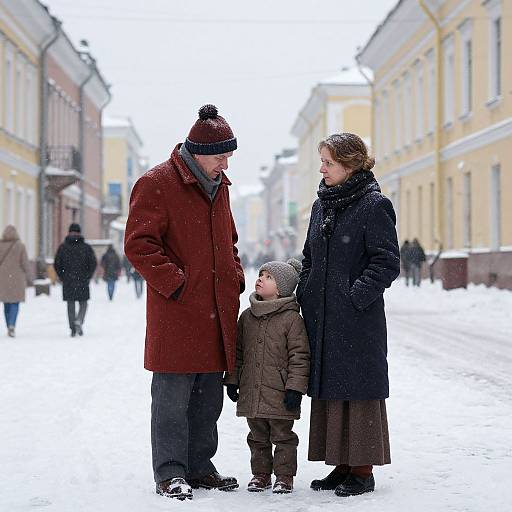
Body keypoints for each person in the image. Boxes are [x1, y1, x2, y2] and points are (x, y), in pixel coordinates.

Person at [124, 104, 245, 501]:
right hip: (178, 311)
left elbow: (229, 240)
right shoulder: (156, 183)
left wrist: (234, 276)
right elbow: (139, 244)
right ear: (198, 153)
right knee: (172, 399)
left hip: (215, 311)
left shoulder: (220, 185)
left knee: (208, 400)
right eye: (221, 156)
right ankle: (170, 472)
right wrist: (177, 284)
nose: (225, 163)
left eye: (229, 156)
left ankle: (199, 466)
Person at [296, 133, 400, 497]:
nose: (322, 168)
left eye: (328, 162)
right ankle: (340, 465)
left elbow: (387, 261)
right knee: (331, 390)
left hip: (357, 320)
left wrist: (355, 296)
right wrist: (307, 290)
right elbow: (309, 256)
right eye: (322, 160)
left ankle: (362, 469)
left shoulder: (374, 205)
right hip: (323, 317)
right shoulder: (321, 205)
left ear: (351, 164)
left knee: (358, 391)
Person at [225, 258, 309, 494]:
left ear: (281, 288)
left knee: (283, 437)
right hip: (252, 390)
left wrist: (295, 388)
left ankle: (284, 476)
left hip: (280, 392)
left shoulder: (292, 319)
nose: (260, 278)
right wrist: (232, 380)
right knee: (257, 436)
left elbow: (300, 356)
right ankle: (260, 474)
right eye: (261, 274)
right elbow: (237, 353)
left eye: (268, 276)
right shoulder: (247, 317)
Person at [54, 223, 97, 337]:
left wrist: (62, 276)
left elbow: (57, 264)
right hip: (82, 280)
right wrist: (88, 275)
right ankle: (79, 320)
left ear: (69, 232)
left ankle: (72, 327)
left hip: (68, 281)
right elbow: (93, 263)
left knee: (70, 304)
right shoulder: (86, 247)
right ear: (80, 232)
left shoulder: (63, 247)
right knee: (83, 303)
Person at [0, 225, 30, 338]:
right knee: (15, 303)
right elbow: (25, 263)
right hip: (17, 278)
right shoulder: (20, 246)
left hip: (2, 279)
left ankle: (8, 324)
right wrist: (30, 276)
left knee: (6, 303)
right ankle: (12, 325)